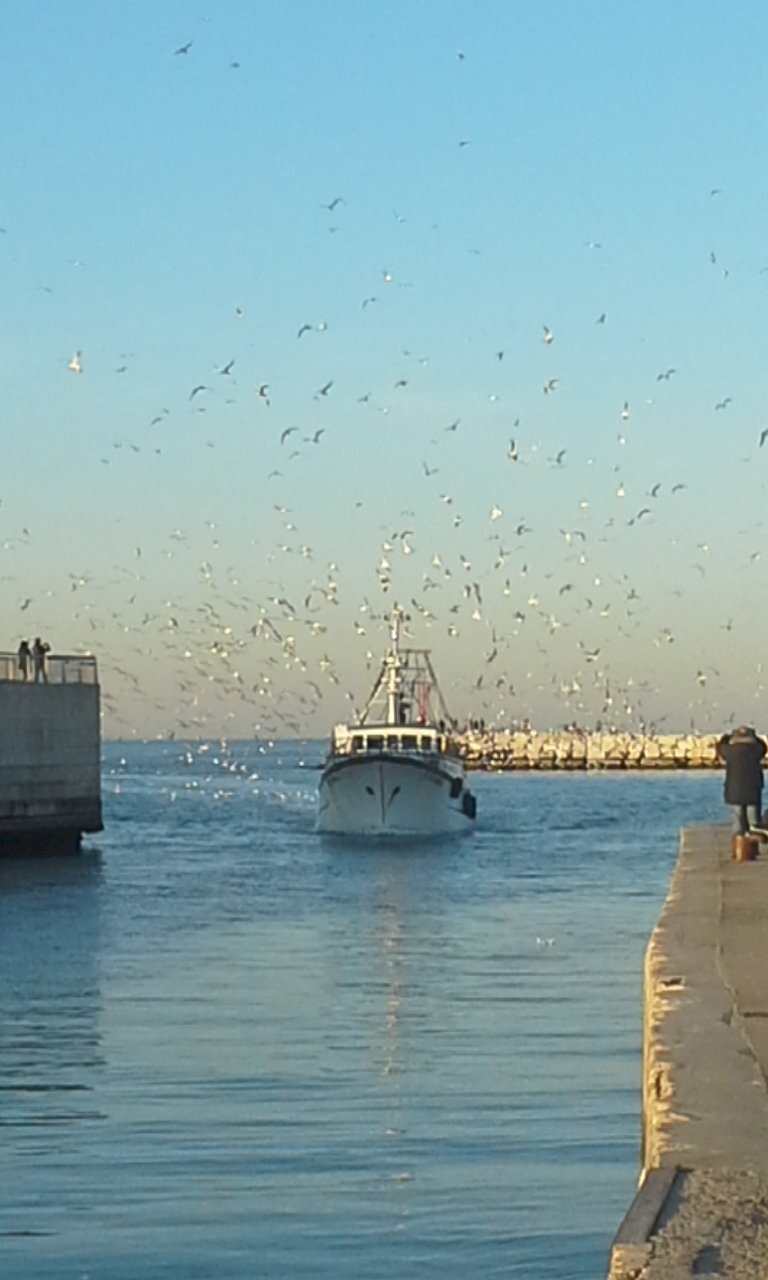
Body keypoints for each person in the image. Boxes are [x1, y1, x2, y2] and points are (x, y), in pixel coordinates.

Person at [716, 726, 767, 834]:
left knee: (737, 824)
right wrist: (756, 737)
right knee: (754, 824)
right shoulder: (756, 750)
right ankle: (753, 845)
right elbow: (764, 746)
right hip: (753, 791)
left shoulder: (729, 751)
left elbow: (720, 746)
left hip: (734, 792)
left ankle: (740, 847)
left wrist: (726, 737)